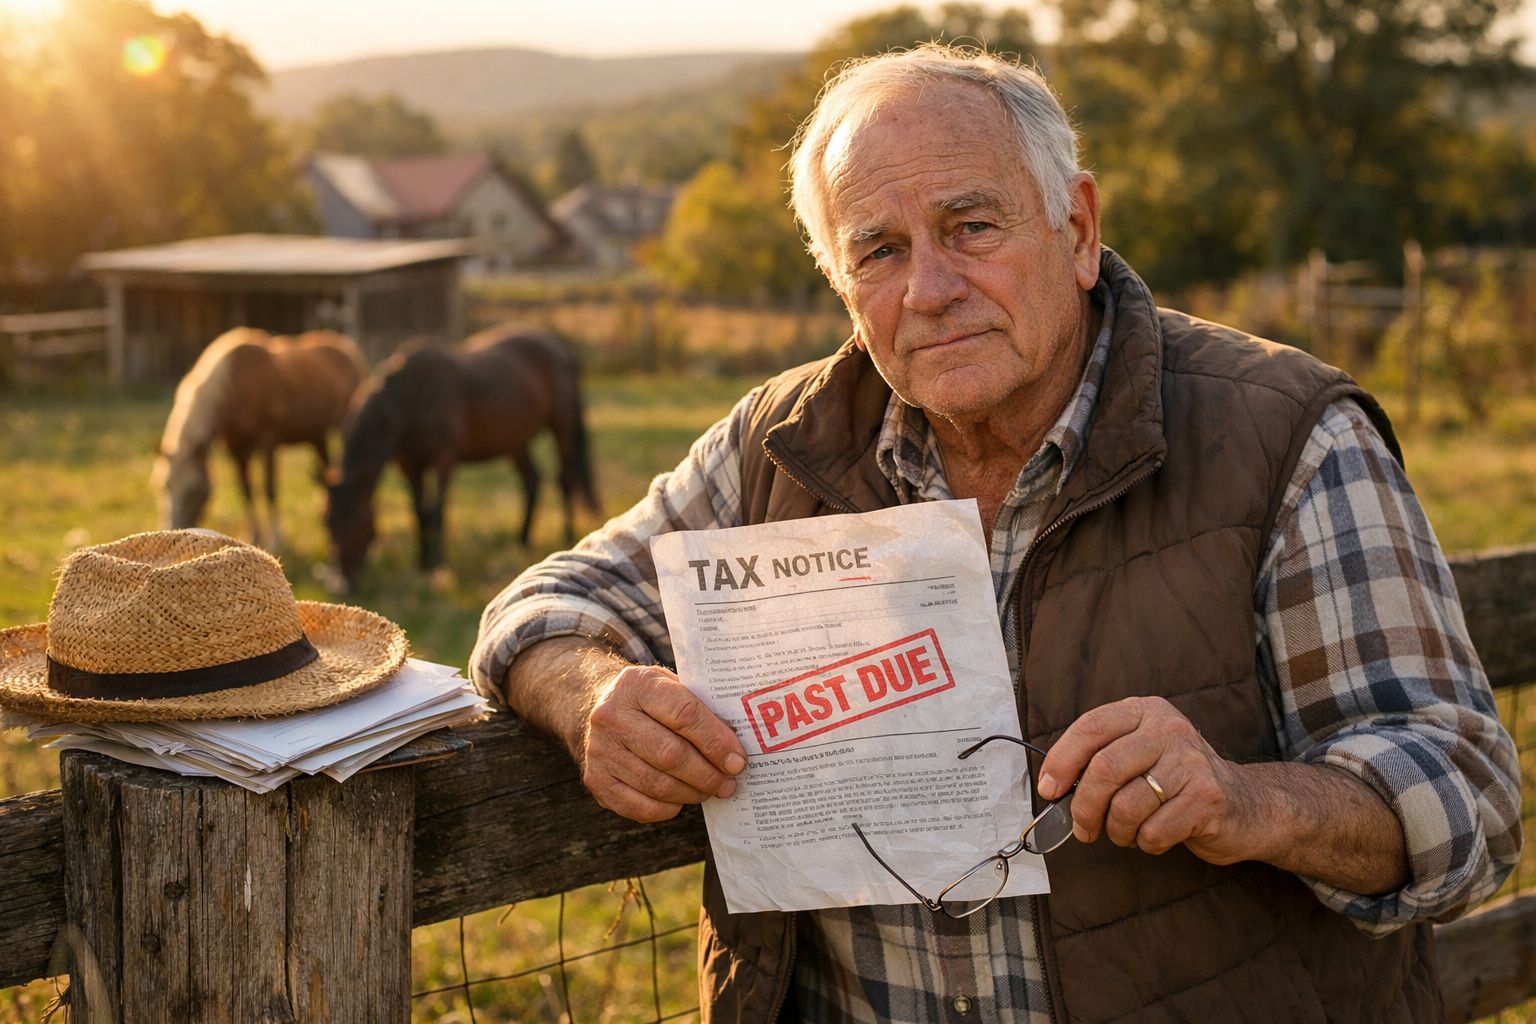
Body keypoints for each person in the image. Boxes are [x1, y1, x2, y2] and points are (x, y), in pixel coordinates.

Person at [473, 44, 1521, 1024]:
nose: (930, 290)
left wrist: (1247, 800)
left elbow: (1468, 800)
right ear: (840, 283)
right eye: (879, 250)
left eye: (972, 226)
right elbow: (545, 603)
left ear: (1077, 230)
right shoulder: (780, 446)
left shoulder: (1284, 434)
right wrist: (591, 693)